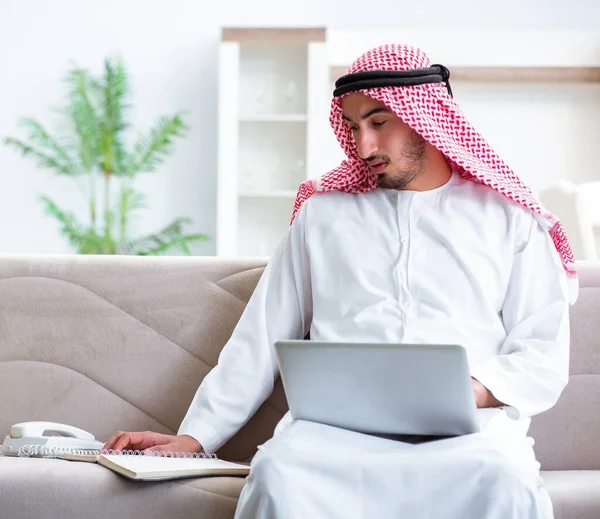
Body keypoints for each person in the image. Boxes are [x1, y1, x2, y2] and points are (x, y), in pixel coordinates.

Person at [104, 44, 579, 518]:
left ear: (427, 117)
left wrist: (466, 389)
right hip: (333, 435)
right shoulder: (323, 215)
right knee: (278, 477)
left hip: (469, 432)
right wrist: (194, 437)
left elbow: (541, 349)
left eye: (378, 122)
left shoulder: (510, 218)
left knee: (507, 481)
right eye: (353, 127)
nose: (363, 146)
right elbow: (261, 337)